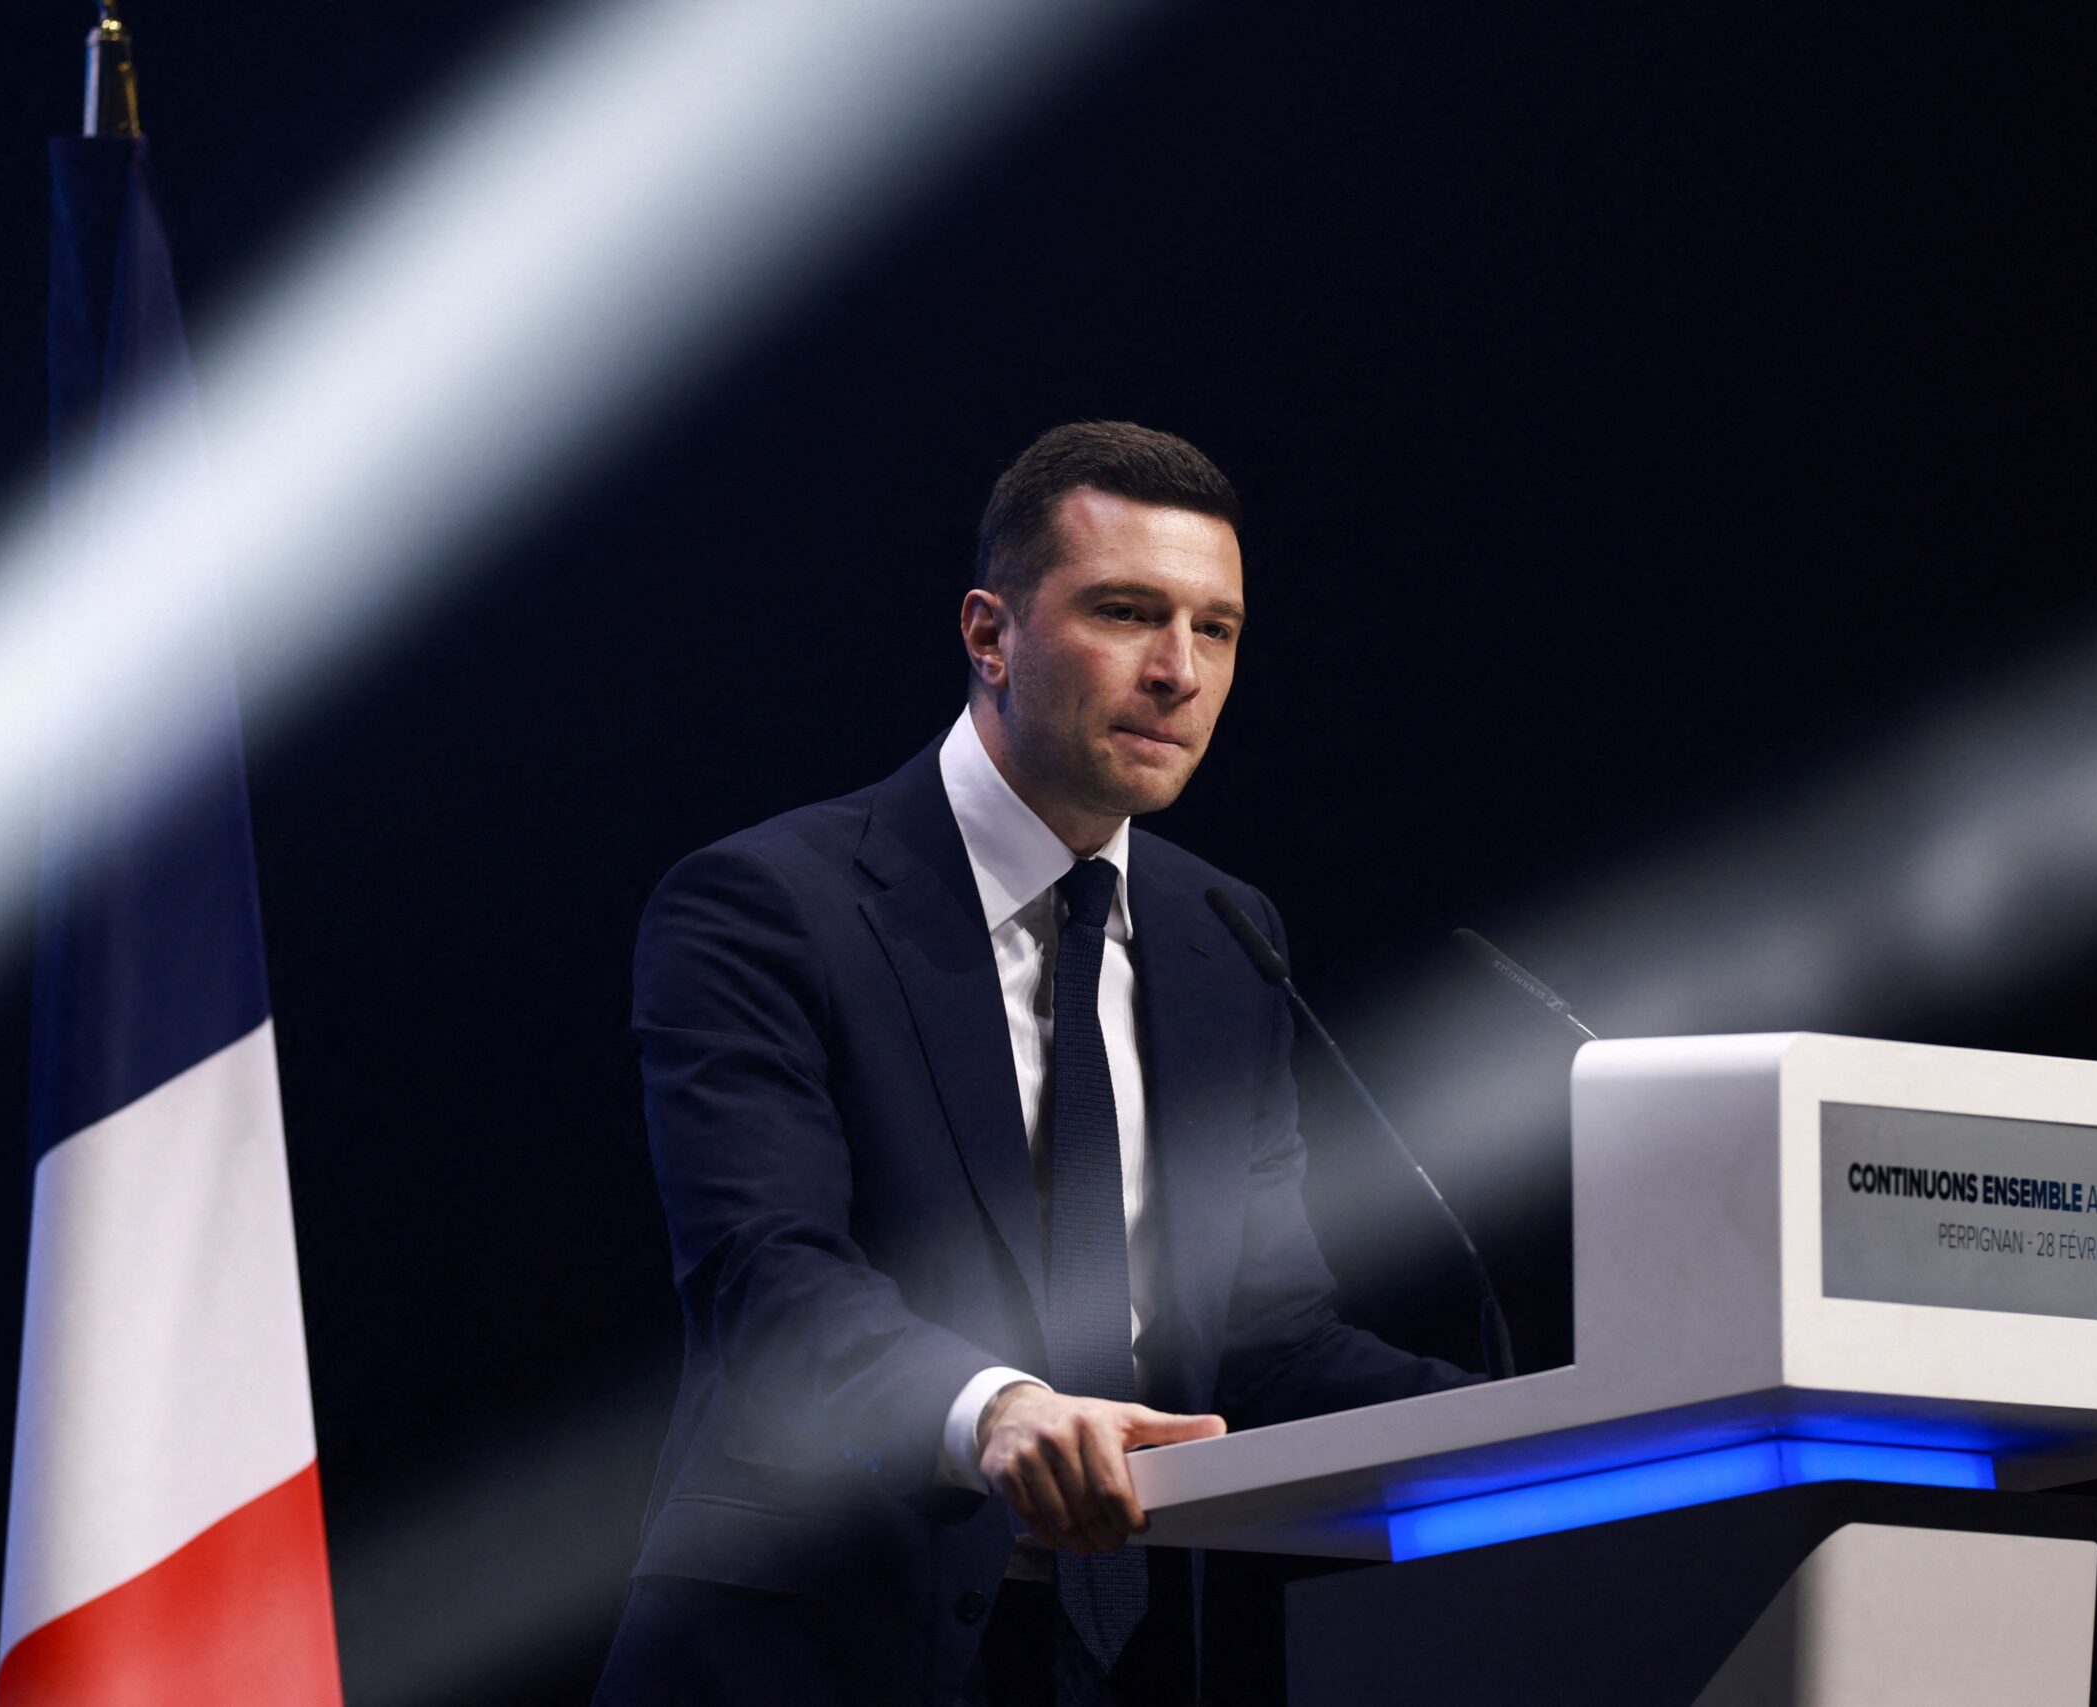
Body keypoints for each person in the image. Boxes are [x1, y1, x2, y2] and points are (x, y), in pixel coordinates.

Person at [596, 422, 1474, 1707]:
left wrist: (1560, 1416)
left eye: (1216, 629)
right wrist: (996, 1410)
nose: (1178, 671)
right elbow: (765, 1277)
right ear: (989, 634)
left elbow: (1266, 1339)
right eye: (1125, 612)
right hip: (816, 1653)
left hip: (1123, 1658)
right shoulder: (767, 907)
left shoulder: (1222, 935)